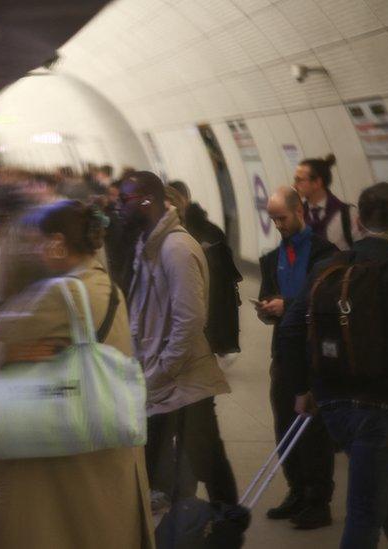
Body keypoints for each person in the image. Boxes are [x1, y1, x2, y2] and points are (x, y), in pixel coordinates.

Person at [0, 200, 154, 549]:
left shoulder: (60, 294)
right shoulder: (108, 287)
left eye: (41, 241)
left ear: (59, 242)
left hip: (68, 446)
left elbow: (5, 341)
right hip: (108, 439)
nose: (37, 249)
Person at [280, 182, 388, 549]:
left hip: (333, 405)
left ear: (359, 222)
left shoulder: (326, 268)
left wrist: (303, 389)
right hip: (382, 411)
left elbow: (289, 330)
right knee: (365, 516)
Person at [119, 171, 237, 507]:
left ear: (148, 201)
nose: (120, 210)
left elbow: (190, 320)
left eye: (125, 201)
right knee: (169, 460)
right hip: (163, 378)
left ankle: (226, 524)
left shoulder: (177, 249)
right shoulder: (149, 244)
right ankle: (191, 515)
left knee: (208, 461)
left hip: (183, 381)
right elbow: (144, 313)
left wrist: (163, 370)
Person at [257, 187, 337, 529]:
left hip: (313, 353)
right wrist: (266, 309)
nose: (278, 225)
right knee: (284, 422)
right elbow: (267, 297)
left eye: (282, 218)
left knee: (314, 429)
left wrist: (287, 307)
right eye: (273, 218)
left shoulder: (325, 254)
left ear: (299, 212)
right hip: (284, 351)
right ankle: (296, 490)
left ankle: (318, 500)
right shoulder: (271, 258)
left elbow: (325, 303)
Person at [169, 180, 243, 357]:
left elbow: (223, 284)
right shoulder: (207, 231)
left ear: (184, 200)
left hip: (206, 317)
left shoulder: (207, 234)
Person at [293, 154, 362, 250]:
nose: (294, 185)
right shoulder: (297, 215)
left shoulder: (347, 214)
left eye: (299, 180)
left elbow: (360, 249)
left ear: (317, 183)